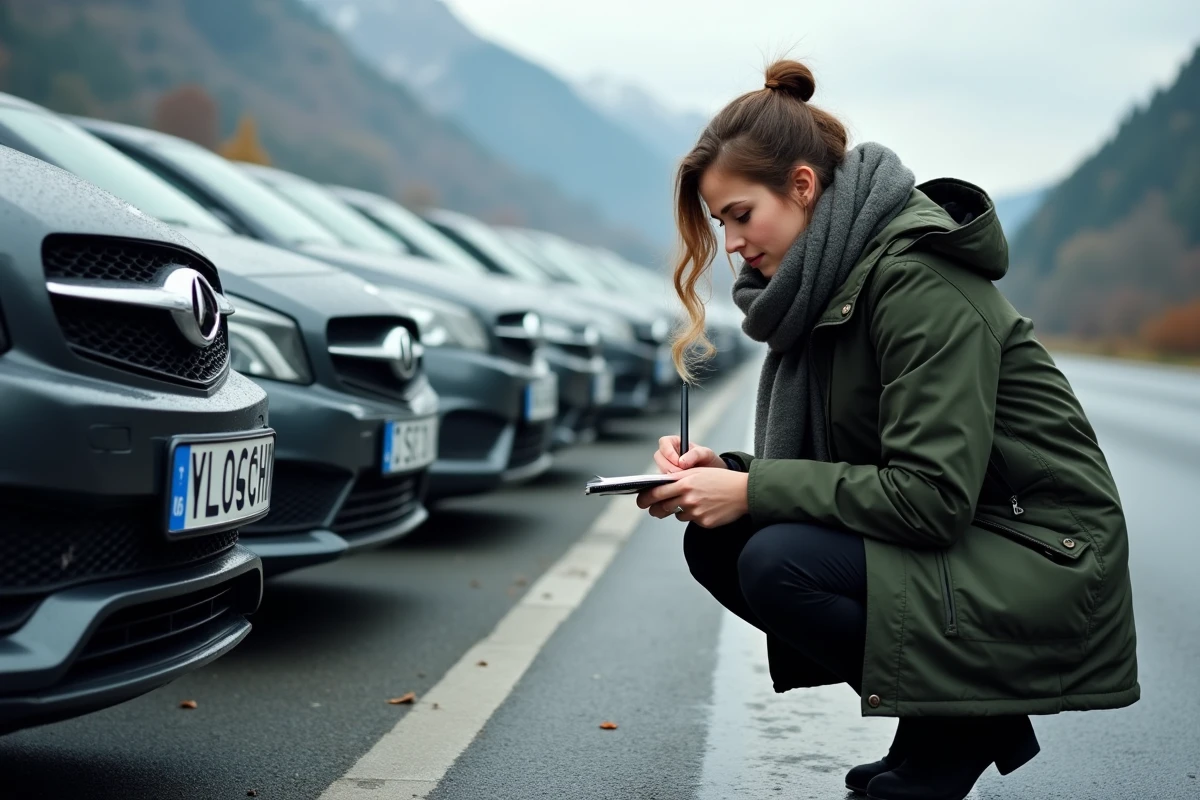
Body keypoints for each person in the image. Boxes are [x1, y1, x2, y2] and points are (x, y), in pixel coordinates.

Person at [635, 59, 1139, 800]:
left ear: (802, 186)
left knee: (777, 561)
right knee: (720, 540)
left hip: (1044, 551)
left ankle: (964, 727)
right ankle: (936, 724)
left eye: (741, 215)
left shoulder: (916, 281)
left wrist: (754, 489)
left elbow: (930, 498)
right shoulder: (829, 285)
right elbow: (862, 463)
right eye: (721, 225)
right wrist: (729, 474)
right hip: (977, 534)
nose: (732, 242)